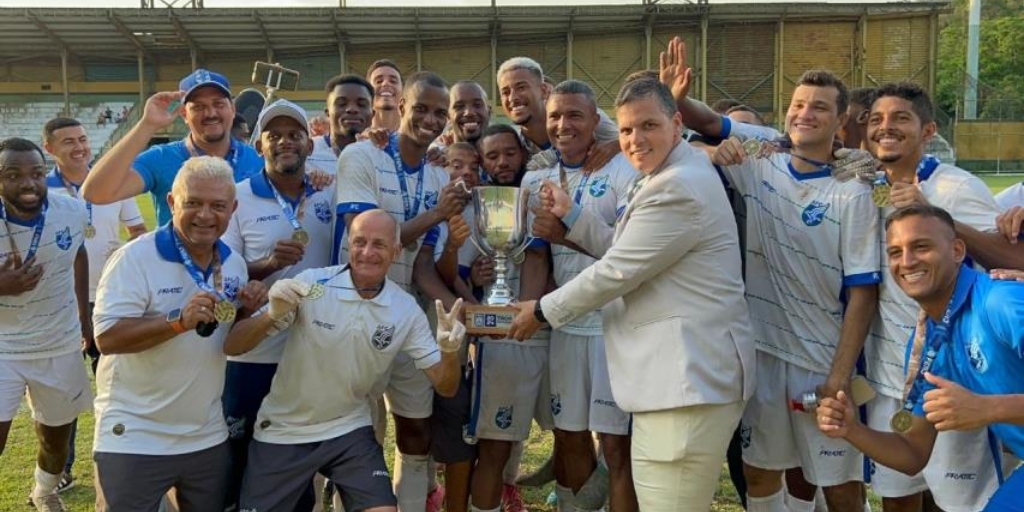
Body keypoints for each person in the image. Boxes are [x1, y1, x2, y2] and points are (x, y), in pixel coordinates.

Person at [508, 77, 755, 511]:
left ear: (677, 124)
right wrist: (574, 215)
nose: (635, 140)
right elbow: (632, 252)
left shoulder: (677, 185)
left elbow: (617, 271)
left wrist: (542, 311)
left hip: (686, 382)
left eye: (648, 126)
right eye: (625, 131)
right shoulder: (666, 174)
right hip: (676, 384)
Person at [226, 209, 466, 512]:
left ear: (396, 251)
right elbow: (233, 346)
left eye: (379, 244)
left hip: (349, 428)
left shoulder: (404, 309)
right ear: (348, 245)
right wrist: (271, 315)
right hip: (284, 429)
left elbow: (445, 387)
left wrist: (448, 351)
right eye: (359, 242)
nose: (367, 252)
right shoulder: (312, 284)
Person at [817, 204, 1024, 511]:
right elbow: (913, 451)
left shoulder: (1002, 303)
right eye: (895, 252)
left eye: (921, 247)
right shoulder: (929, 341)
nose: (907, 261)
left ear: (956, 250)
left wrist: (987, 408)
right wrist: (851, 429)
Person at [860, 82, 1005, 512]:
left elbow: (1012, 256)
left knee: (959, 504)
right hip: (891, 379)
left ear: (927, 130)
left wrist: (940, 219)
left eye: (901, 118)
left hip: (954, 379)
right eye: (876, 120)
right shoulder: (865, 184)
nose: (886, 127)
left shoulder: (957, 187)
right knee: (897, 497)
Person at [91, 156, 266, 511]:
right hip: (135, 434)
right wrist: (177, 322)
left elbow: (226, 341)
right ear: (172, 202)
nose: (205, 215)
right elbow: (107, 338)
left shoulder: (232, 264)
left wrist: (247, 310)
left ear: (232, 209)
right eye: (193, 203)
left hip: (205, 434)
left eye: (217, 206)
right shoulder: (134, 258)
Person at [336, 71, 469, 511]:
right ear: (397, 107)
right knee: (358, 429)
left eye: (439, 112)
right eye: (421, 108)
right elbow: (369, 245)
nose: (430, 119)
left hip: (410, 316)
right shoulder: (360, 156)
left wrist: (457, 308)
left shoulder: (435, 176)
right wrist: (436, 214)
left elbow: (423, 268)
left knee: (416, 428)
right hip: (356, 310)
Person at [519, 79, 640, 512]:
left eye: (575, 115)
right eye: (554, 116)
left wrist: (567, 235)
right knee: (568, 434)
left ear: (595, 121)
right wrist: (529, 312)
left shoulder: (626, 167)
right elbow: (536, 256)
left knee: (616, 447)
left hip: (614, 325)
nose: (563, 124)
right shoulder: (537, 176)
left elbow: (630, 256)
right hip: (565, 325)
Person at [219, 99, 334, 509]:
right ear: (259, 144)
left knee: (297, 460)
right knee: (239, 457)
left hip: (310, 350)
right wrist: (268, 264)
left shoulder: (327, 191)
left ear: (309, 143)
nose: (285, 141)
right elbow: (223, 273)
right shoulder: (238, 197)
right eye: (275, 135)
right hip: (252, 353)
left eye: (295, 134)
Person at [41, 117, 148, 495]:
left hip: (112, 299)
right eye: (68, 141)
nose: (79, 146)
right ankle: (62, 469)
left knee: (118, 384)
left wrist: (130, 248)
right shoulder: (42, 190)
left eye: (83, 139)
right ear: (50, 149)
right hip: (62, 304)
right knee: (62, 393)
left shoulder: (113, 180)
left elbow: (138, 231)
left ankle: (122, 457)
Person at [0, 137, 93, 512]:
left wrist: (85, 317)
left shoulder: (71, 210)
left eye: (36, 174)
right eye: (13, 175)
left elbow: (80, 252)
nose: (28, 183)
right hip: (3, 346)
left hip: (59, 343)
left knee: (56, 440)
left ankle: (44, 492)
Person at [82, 68, 264, 226]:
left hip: (241, 265)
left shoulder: (259, 160)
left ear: (232, 109)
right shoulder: (161, 158)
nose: (210, 113)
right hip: (176, 264)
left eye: (218, 104)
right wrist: (147, 125)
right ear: (184, 113)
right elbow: (96, 193)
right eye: (198, 107)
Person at [307, 74, 375, 174]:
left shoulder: (384, 156)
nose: (352, 109)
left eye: (361, 104)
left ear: (373, 114)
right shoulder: (308, 153)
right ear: (328, 113)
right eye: (342, 103)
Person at [368, 59, 403, 133]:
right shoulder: (356, 140)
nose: (386, 83)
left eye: (393, 81)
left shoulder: (417, 138)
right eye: (379, 81)